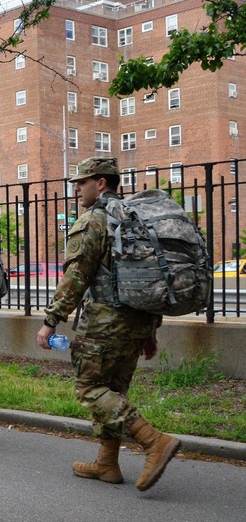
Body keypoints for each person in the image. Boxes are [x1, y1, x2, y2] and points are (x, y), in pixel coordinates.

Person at [37, 157, 181, 491]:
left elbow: (76, 277)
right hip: (137, 321)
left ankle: (154, 441)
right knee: (114, 390)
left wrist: (50, 321)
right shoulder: (135, 218)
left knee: (90, 388)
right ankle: (107, 463)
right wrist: (150, 330)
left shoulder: (95, 220)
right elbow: (152, 276)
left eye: (81, 182)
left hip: (104, 322)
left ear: (101, 183)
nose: (76, 190)